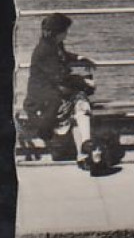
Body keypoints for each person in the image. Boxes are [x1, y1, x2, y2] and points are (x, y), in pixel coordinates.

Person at [21, 13, 94, 161]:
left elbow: (63, 56)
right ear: (58, 33)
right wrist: (84, 82)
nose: (66, 34)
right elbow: (59, 77)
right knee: (80, 103)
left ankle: (85, 146)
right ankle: (85, 145)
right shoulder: (44, 51)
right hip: (44, 98)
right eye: (65, 31)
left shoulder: (53, 45)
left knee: (80, 102)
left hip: (54, 93)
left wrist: (79, 58)